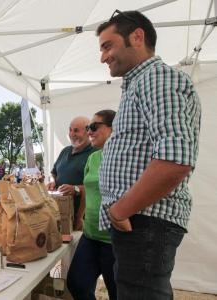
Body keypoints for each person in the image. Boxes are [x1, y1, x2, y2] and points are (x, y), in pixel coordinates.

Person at [96, 10, 201, 299]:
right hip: (140, 221)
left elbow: (175, 160)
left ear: (137, 37)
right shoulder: (140, 83)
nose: (103, 57)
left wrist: (120, 209)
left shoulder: (157, 78)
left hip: (145, 220)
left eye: (107, 45)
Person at [67, 110, 117, 300]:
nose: (89, 132)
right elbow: (88, 189)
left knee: (117, 292)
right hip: (90, 234)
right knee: (77, 283)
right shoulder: (93, 158)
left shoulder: (125, 157)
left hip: (113, 239)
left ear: (112, 128)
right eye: (88, 128)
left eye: (94, 127)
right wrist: (80, 216)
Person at [47, 116, 95, 229]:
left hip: (82, 218)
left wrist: (76, 189)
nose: (72, 134)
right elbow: (54, 173)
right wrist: (52, 182)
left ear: (88, 131)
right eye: (70, 130)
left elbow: (95, 187)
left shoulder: (95, 153)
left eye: (76, 130)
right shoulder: (65, 151)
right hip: (59, 214)